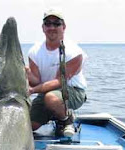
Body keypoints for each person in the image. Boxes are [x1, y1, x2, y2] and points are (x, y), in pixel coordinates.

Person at [27, 8, 87, 137]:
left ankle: (66, 119)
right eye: (48, 24)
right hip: (45, 93)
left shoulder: (74, 52)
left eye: (56, 23)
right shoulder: (34, 51)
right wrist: (25, 73)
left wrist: (32, 90)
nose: (52, 27)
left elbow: (59, 81)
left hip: (73, 91)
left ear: (63, 26)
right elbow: (36, 80)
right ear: (43, 27)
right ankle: (57, 113)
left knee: (51, 98)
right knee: (29, 126)